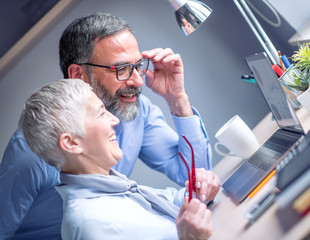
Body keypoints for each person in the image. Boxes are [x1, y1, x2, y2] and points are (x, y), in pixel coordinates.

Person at [0, 12, 212, 239]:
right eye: (121, 69)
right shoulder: (31, 151)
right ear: (78, 75)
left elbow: (196, 178)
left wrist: (177, 99)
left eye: (138, 65)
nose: (138, 81)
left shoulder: (137, 110)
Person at [18, 78, 220, 239]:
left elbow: (164, 204)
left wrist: (197, 191)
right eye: (100, 114)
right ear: (71, 143)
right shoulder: (88, 224)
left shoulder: (114, 186)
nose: (115, 120)